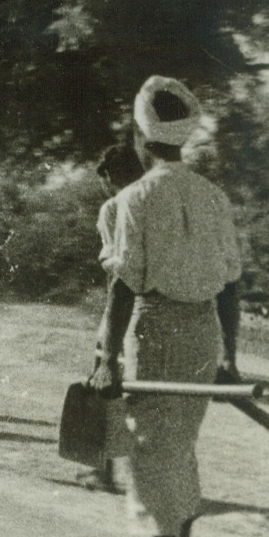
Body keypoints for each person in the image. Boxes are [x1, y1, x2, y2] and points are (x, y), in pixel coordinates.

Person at [89, 76, 242, 537]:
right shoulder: (213, 196)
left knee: (152, 455)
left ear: (140, 135)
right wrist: (229, 357)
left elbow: (124, 284)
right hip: (203, 332)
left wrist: (108, 358)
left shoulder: (134, 198)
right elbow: (231, 284)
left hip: (155, 328)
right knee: (178, 450)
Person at [78, 141, 147, 494]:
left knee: (103, 376)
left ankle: (102, 470)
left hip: (126, 303)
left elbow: (118, 275)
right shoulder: (154, 199)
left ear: (110, 177)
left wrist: (110, 318)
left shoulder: (113, 208)